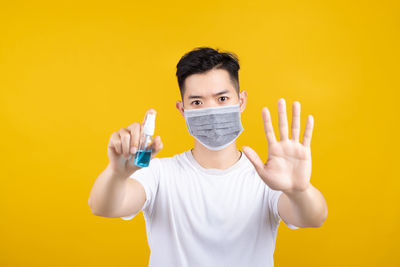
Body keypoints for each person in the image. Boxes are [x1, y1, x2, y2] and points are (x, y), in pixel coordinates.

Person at [88, 47, 328, 267]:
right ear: (182, 110)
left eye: (222, 99)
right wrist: (116, 175)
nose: (211, 110)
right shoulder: (159, 174)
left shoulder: (267, 178)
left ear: (241, 101)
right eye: (197, 102)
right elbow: (104, 206)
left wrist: (298, 190)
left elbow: (313, 217)